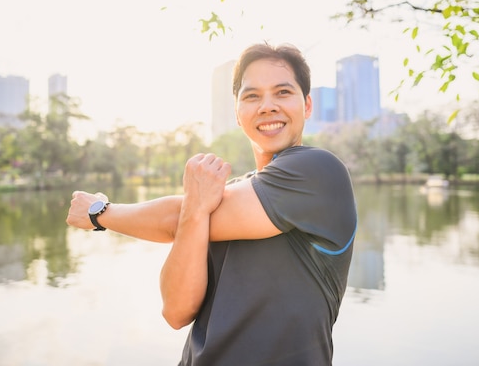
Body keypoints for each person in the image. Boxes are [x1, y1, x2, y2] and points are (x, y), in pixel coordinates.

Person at [66, 42, 358, 366]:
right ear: (236, 112)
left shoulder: (318, 170)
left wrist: (100, 213)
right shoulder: (216, 199)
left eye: (282, 92)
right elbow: (176, 311)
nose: (267, 106)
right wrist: (196, 207)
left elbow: (171, 219)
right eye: (251, 96)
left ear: (306, 105)